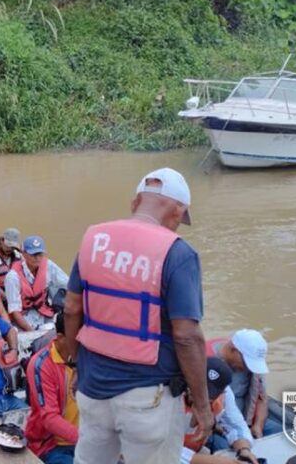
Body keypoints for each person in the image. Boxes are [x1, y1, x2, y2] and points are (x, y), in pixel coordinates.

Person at [63, 168, 214, 464]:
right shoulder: (178, 253)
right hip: (148, 397)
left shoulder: (94, 238)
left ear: (135, 203)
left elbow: (71, 308)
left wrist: (76, 362)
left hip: (93, 389)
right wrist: (202, 405)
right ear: (177, 210)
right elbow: (186, 336)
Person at [181, 357, 259, 464]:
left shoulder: (224, 396)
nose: (203, 397)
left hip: (195, 452)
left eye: (210, 393)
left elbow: (236, 425)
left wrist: (243, 449)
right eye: (200, 389)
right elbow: (164, 451)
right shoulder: (170, 399)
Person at [25, 311, 78, 464]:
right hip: (51, 445)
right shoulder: (41, 365)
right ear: (60, 338)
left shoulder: (88, 356)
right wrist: (88, 440)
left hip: (87, 440)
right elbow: (50, 419)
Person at [206, 329, 279, 441]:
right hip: (219, 425)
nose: (248, 367)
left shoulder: (253, 368)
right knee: (223, 446)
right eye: (246, 362)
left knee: (281, 432)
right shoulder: (206, 362)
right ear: (233, 350)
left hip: (247, 420)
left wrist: (258, 426)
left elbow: (262, 399)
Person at [5, 235, 68, 332]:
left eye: (40, 254)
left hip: (45, 313)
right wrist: (31, 332)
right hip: (25, 319)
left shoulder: (48, 265)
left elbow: (67, 284)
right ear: (24, 254)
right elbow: (15, 311)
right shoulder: (12, 277)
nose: (38, 258)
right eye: (33, 255)